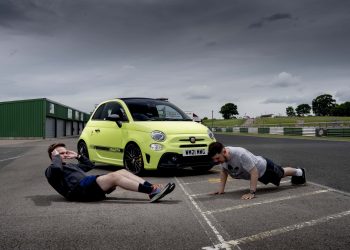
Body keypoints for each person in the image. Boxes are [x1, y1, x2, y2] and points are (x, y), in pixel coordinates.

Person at [45, 143, 175, 202]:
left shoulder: (70, 165)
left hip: (89, 186)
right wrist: (56, 157)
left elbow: (89, 165)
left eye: (65, 152)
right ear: (53, 156)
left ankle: (151, 189)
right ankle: (151, 191)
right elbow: (57, 170)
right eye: (61, 153)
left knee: (122, 171)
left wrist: (78, 156)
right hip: (78, 191)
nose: (64, 155)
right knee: (114, 177)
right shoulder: (51, 169)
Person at [208, 141, 306, 200]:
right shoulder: (222, 159)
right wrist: (221, 190)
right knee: (281, 172)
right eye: (214, 160)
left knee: (282, 173)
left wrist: (252, 193)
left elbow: (254, 172)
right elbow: (224, 172)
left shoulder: (240, 154)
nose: (217, 162)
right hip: (258, 174)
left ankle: (300, 172)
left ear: (224, 151)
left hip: (265, 168)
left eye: (217, 158)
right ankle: (297, 172)